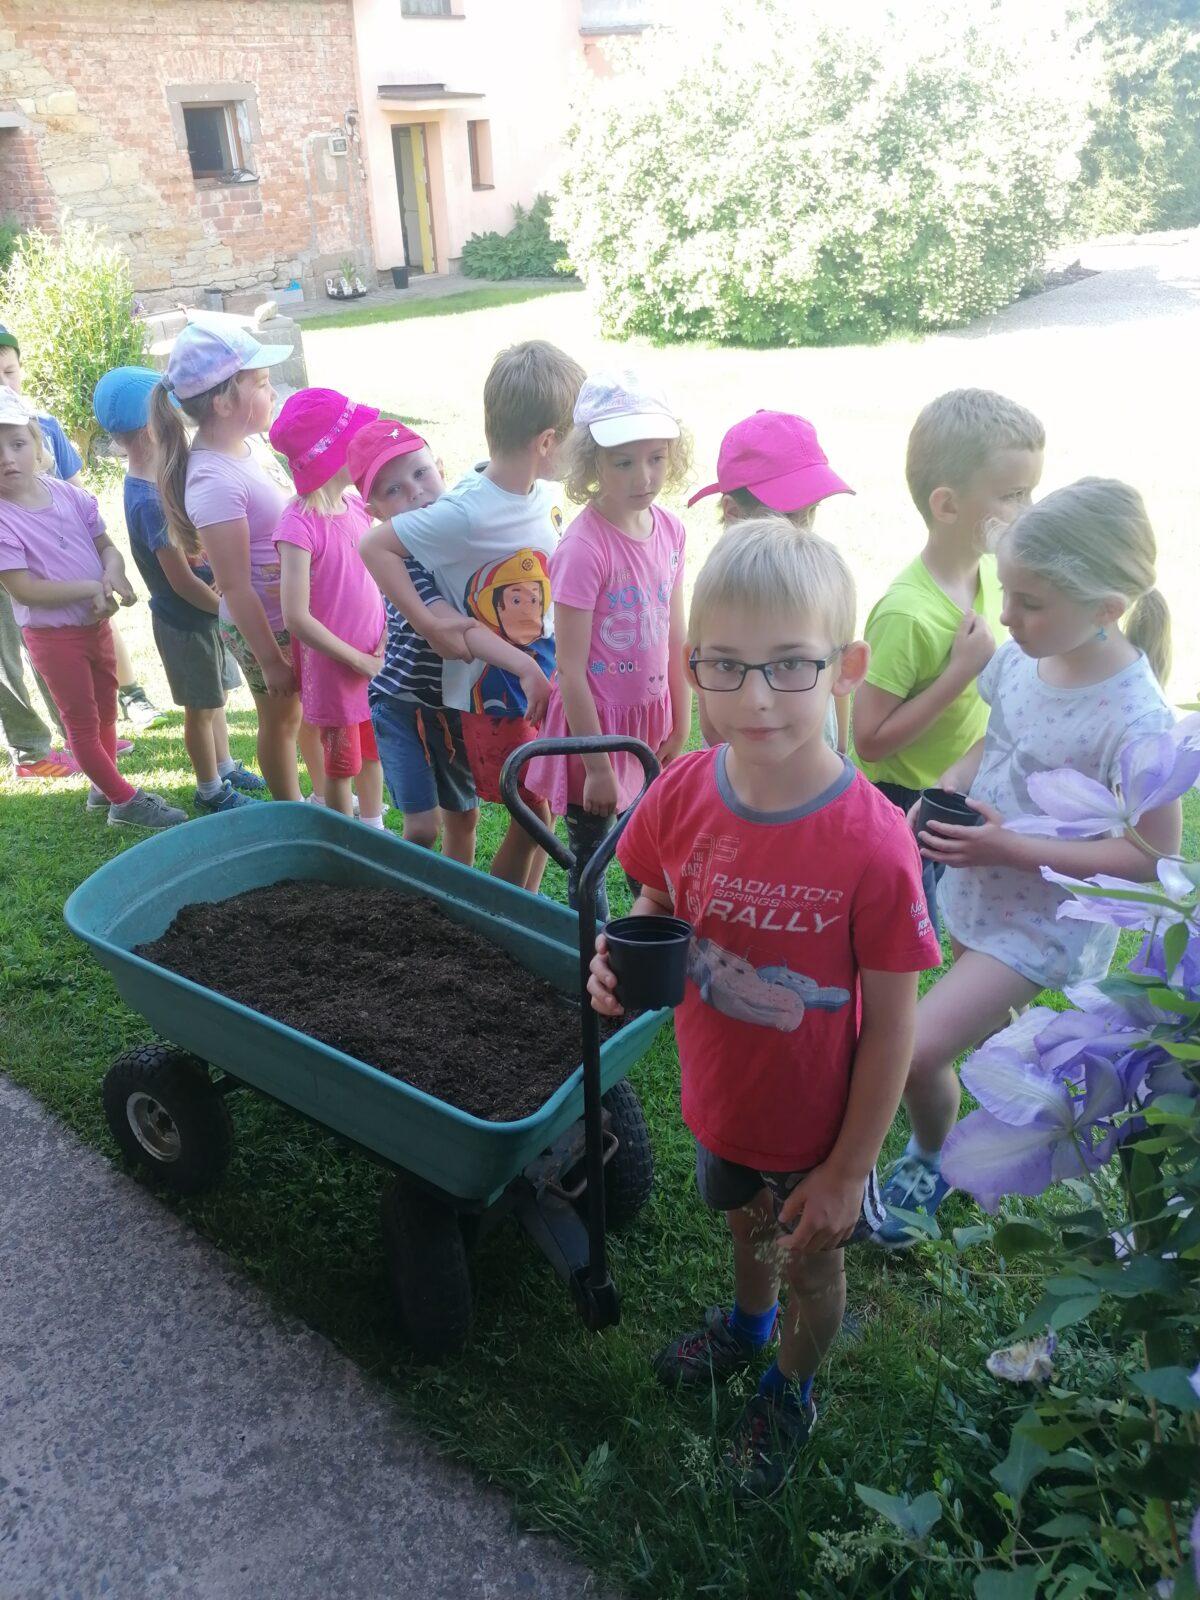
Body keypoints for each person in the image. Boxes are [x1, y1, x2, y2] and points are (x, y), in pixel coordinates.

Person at [586, 518, 942, 1498]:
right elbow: (653, 897)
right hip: (725, 1093)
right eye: (723, 666)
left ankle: (792, 1382)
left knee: (811, 1268)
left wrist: (846, 1169)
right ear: (689, 665)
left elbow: (896, 1023)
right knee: (744, 1223)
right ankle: (746, 1327)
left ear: (846, 667)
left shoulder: (872, 843)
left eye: (790, 665)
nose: (753, 698)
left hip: (821, 1123)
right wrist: (617, 960)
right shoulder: (685, 790)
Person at [871, 478, 1182, 1248]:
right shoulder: (1020, 658)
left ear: (1107, 608)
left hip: (1044, 920)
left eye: (1029, 602)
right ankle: (945, 1140)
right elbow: (997, 743)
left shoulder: (1138, 719)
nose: (1005, 616)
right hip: (983, 887)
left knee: (914, 1049)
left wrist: (1008, 844)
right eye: (1006, 591)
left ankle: (935, 1155)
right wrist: (948, 785)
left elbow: (1151, 857)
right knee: (922, 1032)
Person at [360, 339, 583, 889]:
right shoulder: (463, 512)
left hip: (536, 679)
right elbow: (374, 548)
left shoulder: (537, 491)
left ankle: (520, 910)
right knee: (530, 815)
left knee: (542, 813)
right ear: (548, 442)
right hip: (493, 695)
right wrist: (429, 622)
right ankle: (496, 914)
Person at [852, 389, 1045, 929]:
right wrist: (960, 671)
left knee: (949, 917)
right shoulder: (906, 614)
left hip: (960, 782)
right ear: (948, 505)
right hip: (906, 801)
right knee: (899, 925)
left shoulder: (991, 573)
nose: (1027, 511)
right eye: (1014, 495)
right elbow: (867, 741)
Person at [523, 371, 691, 920]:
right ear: (592, 463)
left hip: (651, 719)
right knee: (590, 860)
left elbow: (675, 631)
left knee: (646, 845)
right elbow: (569, 670)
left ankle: (638, 943)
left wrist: (682, 717)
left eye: (657, 458)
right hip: (592, 727)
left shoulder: (670, 530)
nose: (643, 476)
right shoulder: (583, 547)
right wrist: (595, 765)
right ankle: (588, 951)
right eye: (624, 461)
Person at [151, 315, 322, 801]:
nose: (273, 393)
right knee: (280, 718)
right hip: (266, 624)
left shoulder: (249, 447)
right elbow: (235, 585)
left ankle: (324, 798)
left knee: (307, 712)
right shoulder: (213, 480)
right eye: (262, 384)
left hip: (292, 613)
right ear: (225, 401)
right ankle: (291, 812)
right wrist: (269, 659)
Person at [0, 387, 186, 829]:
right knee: (80, 722)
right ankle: (125, 800)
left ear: (37, 444)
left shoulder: (67, 495)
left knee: (106, 710)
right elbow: (24, 589)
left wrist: (114, 574)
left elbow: (105, 544)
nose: (7, 458)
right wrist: (90, 587)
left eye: (17, 444)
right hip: (53, 637)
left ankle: (104, 788)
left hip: (95, 626)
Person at [92, 365, 266, 814]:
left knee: (216, 699)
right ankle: (210, 788)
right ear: (154, 426)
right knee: (199, 708)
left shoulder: (164, 474)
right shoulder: (148, 500)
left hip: (206, 613)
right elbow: (182, 580)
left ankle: (225, 766)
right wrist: (225, 608)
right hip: (187, 620)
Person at [0, 323, 163, 740]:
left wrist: (102, 567)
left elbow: (82, 508)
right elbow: (25, 590)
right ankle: (34, 745)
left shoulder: (43, 424)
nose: (5, 381)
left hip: (72, 575)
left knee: (93, 641)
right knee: (19, 652)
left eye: (8, 370)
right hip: (18, 564)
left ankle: (125, 698)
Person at [347, 421, 481, 859]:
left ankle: (453, 904)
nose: (416, 492)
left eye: (422, 474)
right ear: (375, 510)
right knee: (423, 828)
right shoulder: (398, 558)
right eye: (394, 490)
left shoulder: (464, 537)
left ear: (441, 468)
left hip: (455, 706)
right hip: (402, 705)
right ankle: (411, 904)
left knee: (465, 817)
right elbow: (449, 633)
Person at [689, 409, 854, 754]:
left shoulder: (817, 577)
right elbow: (712, 719)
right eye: (788, 514)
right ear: (733, 512)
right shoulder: (720, 590)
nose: (801, 527)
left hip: (814, 761)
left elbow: (836, 661)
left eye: (809, 512)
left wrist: (839, 749)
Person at [270, 388, 387, 826]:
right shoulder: (298, 523)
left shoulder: (357, 507)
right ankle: (347, 844)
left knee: (373, 753)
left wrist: (381, 645)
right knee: (343, 766)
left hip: (373, 661)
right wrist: (357, 658)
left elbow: (377, 582)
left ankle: (374, 830)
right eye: (356, 439)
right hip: (337, 671)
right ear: (332, 451)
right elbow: (296, 617)